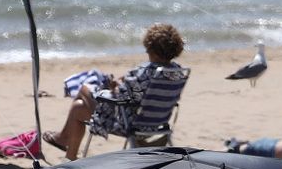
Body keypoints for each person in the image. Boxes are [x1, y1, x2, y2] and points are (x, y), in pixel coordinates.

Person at [43, 23, 185, 161]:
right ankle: (67, 150)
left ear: (150, 48)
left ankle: (66, 146)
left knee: (84, 89)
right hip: (157, 122)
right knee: (79, 106)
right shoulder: (177, 71)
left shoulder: (147, 72)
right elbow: (138, 93)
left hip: (128, 122)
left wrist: (113, 86)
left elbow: (120, 96)